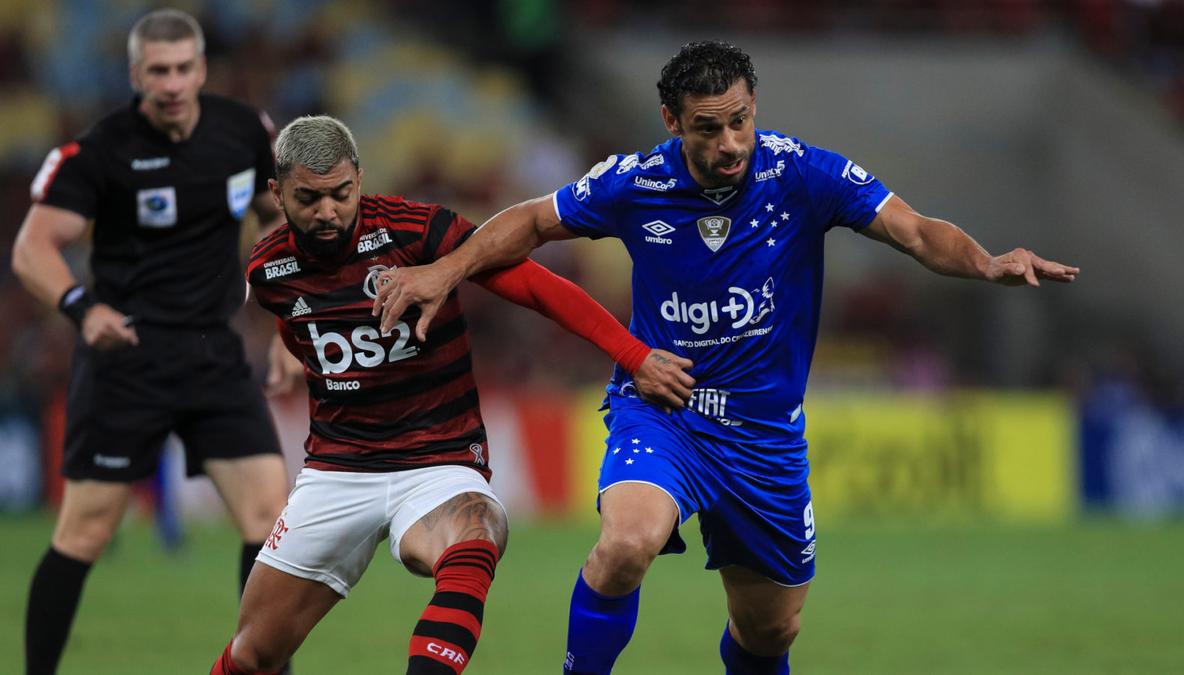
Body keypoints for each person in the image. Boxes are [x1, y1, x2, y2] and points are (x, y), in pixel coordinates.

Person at [373, 40, 1080, 675]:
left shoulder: (803, 174)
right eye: (709, 126)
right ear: (671, 120)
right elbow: (530, 220)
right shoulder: (634, 182)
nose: (731, 140)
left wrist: (986, 263)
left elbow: (916, 232)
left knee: (771, 630)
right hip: (664, 413)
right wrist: (448, 270)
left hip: (765, 437)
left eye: (740, 118)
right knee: (627, 544)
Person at [209, 114, 693, 675]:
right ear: (277, 193)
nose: (327, 211)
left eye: (341, 193)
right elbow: (299, 319)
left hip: (438, 460)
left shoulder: (416, 232)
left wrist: (632, 356)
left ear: (359, 179)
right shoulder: (269, 270)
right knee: (253, 653)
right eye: (308, 198)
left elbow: (536, 286)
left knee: (479, 531)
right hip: (337, 470)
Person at [11, 10, 294, 674]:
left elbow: (275, 220)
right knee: (83, 532)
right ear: (137, 75)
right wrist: (81, 307)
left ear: (202, 70)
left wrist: (289, 325)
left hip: (215, 351)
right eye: (157, 71)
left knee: (271, 524)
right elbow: (32, 248)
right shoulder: (100, 150)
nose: (171, 83)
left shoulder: (243, 132)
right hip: (126, 359)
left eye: (182, 68)